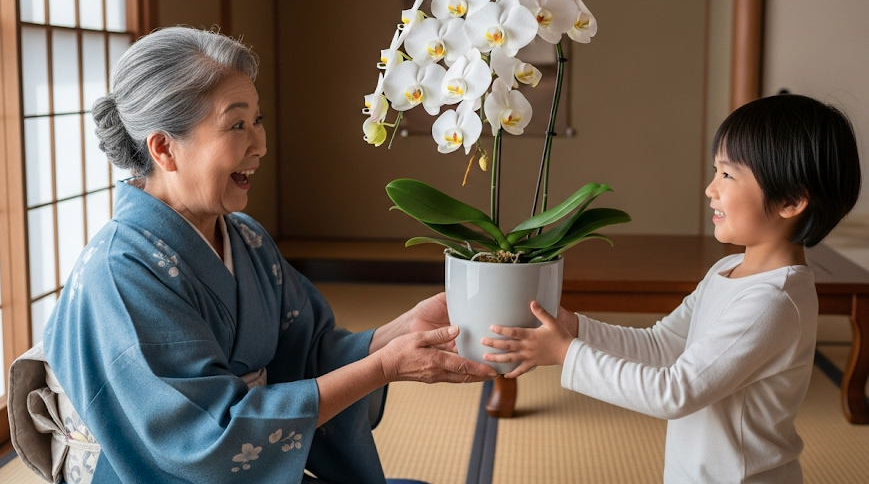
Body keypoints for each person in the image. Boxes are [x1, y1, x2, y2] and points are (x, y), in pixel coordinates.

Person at [42, 26, 496, 484]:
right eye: (237, 125)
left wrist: (393, 335)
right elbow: (206, 439)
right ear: (164, 148)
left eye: (257, 120)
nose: (260, 145)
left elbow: (308, 355)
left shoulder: (247, 239)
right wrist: (383, 366)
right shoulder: (120, 271)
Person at [481, 94, 862, 483]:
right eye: (715, 171)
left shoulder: (773, 302)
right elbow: (663, 345)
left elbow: (674, 392)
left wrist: (566, 353)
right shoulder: (728, 269)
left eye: (727, 175)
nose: (711, 189)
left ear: (791, 199)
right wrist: (575, 330)